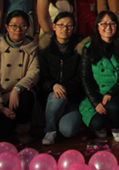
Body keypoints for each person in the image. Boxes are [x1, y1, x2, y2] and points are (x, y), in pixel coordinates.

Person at [0, 10, 39, 144]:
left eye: (23, 26)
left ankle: (22, 129)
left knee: (27, 96)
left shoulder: (32, 47)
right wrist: (0, 106)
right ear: (7, 27)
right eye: (14, 26)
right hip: (0, 98)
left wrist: (17, 89)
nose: (18, 30)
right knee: (4, 129)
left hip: (21, 93)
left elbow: (34, 73)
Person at [79, 11, 119, 144]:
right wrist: (95, 102)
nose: (108, 27)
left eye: (112, 24)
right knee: (96, 123)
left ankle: (117, 128)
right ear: (97, 27)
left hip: (117, 92)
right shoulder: (88, 48)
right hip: (96, 93)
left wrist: (111, 92)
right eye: (104, 24)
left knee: (113, 107)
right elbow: (85, 77)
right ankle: (102, 125)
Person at [38, 12, 89, 145]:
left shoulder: (80, 47)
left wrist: (65, 88)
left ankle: (59, 119)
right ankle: (50, 130)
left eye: (69, 26)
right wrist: (54, 85)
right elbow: (42, 77)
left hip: (73, 97)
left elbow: (81, 76)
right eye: (61, 25)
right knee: (57, 98)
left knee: (68, 131)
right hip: (53, 96)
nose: (65, 29)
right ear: (54, 27)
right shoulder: (45, 48)